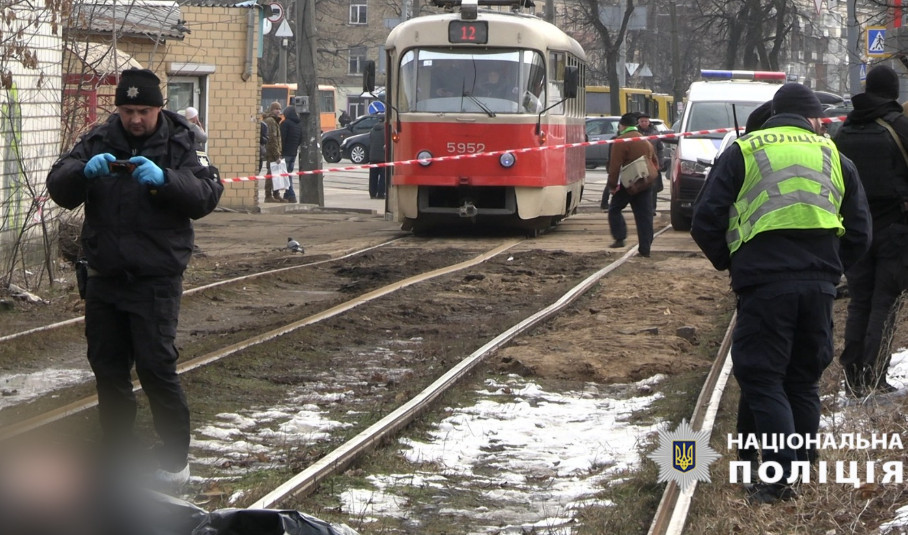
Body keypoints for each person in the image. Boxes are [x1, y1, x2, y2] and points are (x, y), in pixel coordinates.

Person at [691, 83, 871, 504]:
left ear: (775, 113)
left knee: (763, 378)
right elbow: (861, 232)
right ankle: (801, 471)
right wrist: (830, 270)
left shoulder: (746, 149)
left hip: (765, 284)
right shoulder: (835, 156)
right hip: (819, 286)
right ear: (813, 118)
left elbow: (705, 219)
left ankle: (776, 480)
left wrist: (733, 262)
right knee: (803, 380)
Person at [45, 68, 224, 487]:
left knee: (156, 367)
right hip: (105, 275)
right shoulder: (100, 138)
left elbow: (207, 195)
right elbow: (58, 184)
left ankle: (174, 459)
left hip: (155, 278)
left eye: (143, 110)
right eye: (127, 110)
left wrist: (166, 180)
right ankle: (118, 453)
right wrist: (82, 171)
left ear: (159, 108)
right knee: (107, 369)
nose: (135, 119)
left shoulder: (182, 141)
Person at [834, 65, 908, 397]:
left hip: (855, 230)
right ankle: (874, 375)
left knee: (859, 300)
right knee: (884, 302)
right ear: (893, 92)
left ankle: (852, 374)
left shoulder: (845, 130)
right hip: (896, 229)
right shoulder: (901, 127)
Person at [606, 112, 660, 257]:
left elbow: (615, 166)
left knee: (614, 209)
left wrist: (612, 185)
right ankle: (645, 248)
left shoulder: (620, 141)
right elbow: (655, 161)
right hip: (645, 183)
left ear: (622, 126)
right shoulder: (645, 140)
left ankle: (620, 237)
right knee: (644, 216)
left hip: (628, 184)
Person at [636, 113, 665, 211]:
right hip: (638, 164)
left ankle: (652, 208)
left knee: (653, 187)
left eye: (646, 121)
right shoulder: (635, 133)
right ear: (638, 122)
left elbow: (660, 149)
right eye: (642, 121)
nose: (644, 123)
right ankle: (641, 208)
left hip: (653, 163)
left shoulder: (655, 133)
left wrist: (660, 163)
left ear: (649, 122)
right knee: (640, 187)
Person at [263, 101, 285, 203]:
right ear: (272, 110)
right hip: (271, 153)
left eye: (280, 109)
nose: (278, 111)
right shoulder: (271, 121)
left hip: (275, 152)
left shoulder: (274, 121)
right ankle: (268, 195)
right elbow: (272, 139)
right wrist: (277, 155)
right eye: (276, 109)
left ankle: (276, 194)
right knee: (271, 173)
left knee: (276, 174)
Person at [280, 105, 302, 203]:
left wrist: (280, 151)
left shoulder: (285, 124)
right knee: (288, 173)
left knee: (286, 175)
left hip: (285, 153)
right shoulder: (298, 124)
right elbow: (300, 139)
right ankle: (287, 195)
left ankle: (291, 195)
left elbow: (282, 139)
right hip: (293, 153)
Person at [368, 118, 386, 199]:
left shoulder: (372, 130)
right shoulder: (386, 131)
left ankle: (372, 193)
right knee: (383, 177)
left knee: (373, 177)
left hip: (373, 157)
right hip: (383, 157)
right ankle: (381, 194)